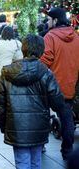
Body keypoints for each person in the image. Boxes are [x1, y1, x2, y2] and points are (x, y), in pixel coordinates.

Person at [0, 34, 65, 169]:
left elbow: (0, 103)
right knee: (36, 161)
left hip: (16, 124)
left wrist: (3, 124)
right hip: (39, 124)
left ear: (23, 49)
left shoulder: (7, 72)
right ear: (41, 50)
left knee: (22, 162)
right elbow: (57, 101)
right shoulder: (46, 72)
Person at [40, 7, 79, 160]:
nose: (48, 22)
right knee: (67, 118)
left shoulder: (50, 36)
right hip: (69, 86)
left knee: (42, 114)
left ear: (55, 20)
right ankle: (67, 151)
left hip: (51, 86)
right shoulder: (76, 37)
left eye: (49, 19)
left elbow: (45, 60)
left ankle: (41, 144)